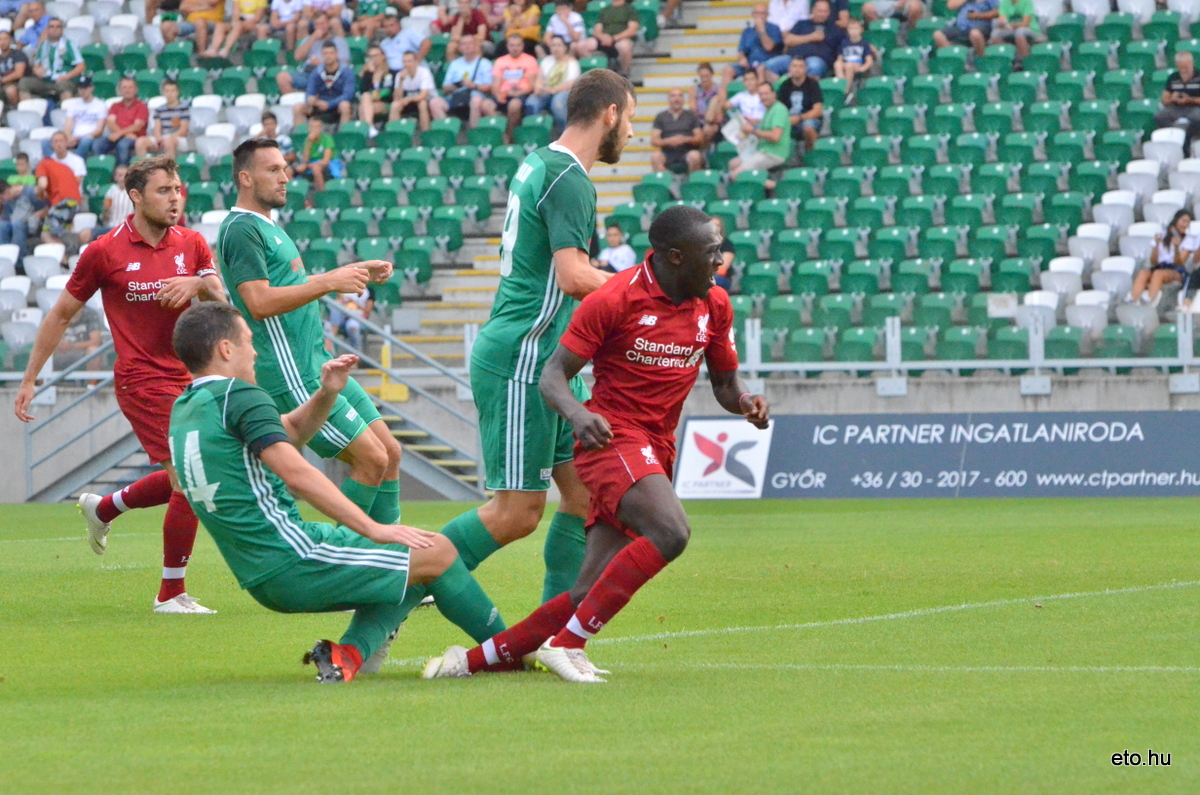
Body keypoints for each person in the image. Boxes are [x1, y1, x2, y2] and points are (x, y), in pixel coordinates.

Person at [423, 205, 770, 682]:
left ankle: (469, 661)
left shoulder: (714, 305)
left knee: (584, 591)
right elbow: (552, 377)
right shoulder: (615, 298)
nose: (721, 261)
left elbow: (727, 387)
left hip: (656, 445)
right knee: (671, 532)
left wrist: (748, 401)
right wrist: (579, 414)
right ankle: (567, 644)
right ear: (674, 256)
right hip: (611, 438)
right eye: (711, 253)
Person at [167, 302, 504, 683]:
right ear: (226, 350)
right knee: (437, 553)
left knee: (418, 560)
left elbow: (291, 431)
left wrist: (326, 394)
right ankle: (508, 652)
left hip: (260, 573)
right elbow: (297, 474)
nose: (256, 350)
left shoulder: (186, 408)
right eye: (247, 340)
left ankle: (350, 654)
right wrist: (372, 528)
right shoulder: (240, 396)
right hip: (294, 558)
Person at [432, 69, 635, 609]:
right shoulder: (569, 177)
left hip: (547, 360)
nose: (632, 133)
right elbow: (572, 275)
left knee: (586, 493)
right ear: (610, 114)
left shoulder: (540, 162)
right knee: (516, 513)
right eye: (631, 118)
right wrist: (642, 292)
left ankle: (555, 633)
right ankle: (406, 576)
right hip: (524, 357)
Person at [13, 156, 226, 614]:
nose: (175, 198)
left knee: (189, 474)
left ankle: (105, 507)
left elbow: (222, 298)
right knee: (190, 477)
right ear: (135, 196)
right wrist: (31, 378)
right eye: (164, 191)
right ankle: (171, 594)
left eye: (178, 189)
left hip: (189, 377)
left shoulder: (192, 243)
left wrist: (195, 283)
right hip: (141, 380)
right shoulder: (103, 251)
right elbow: (61, 315)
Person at [215, 137, 406, 550]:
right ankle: (342, 565)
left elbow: (293, 286)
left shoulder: (266, 225)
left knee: (389, 453)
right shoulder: (241, 229)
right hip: (290, 373)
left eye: (285, 168)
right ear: (245, 178)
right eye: (273, 170)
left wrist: (351, 270)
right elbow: (259, 301)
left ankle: (395, 563)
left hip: (315, 361)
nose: (286, 177)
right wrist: (329, 281)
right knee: (370, 460)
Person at [1131, 210, 1197, 306]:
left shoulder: (1188, 240)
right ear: (1176, 220)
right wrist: (1157, 245)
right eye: (1183, 221)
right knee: (1143, 273)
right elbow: (1153, 261)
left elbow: (1179, 263)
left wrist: (1176, 248)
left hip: (1177, 271)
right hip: (1159, 266)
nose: (1185, 225)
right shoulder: (1161, 235)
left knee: (1158, 274)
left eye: (1188, 222)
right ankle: (1133, 299)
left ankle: (1149, 299)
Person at [729, 79, 792, 176]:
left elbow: (775, 136)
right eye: (761, 94)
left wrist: (753, 130)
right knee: (732, 164)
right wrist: (750, 124)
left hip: (773, 153)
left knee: (736, 175)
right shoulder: (768, 110)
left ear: (773, 94)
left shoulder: (779, 109)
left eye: (766, 94)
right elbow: (763, 131)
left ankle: (773, 186)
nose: (763, 97)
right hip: (762, 150)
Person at [275, 14, 350, 95]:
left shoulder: (338, 41)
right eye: (317, 24)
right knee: (282, 77)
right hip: (307, 73)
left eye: (322, 24)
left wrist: (323, 65)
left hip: (326, 75)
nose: (320, 27)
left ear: (328, 24)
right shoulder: (309, 39)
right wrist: (313, 38)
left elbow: (344, 64)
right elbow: (297, 57)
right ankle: (295, 103)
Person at [769, 0, 845, 79]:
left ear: (829, 12)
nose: (822, 14)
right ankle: (780, 89)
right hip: (793, 58)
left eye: (825, 11)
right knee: (770, 65)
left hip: (816, 60)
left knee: (814, 65)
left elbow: (842, 48)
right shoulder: (802, 24)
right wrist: (811, 37)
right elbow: (788, 40)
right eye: (820, 11)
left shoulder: (835, 29)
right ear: (813, 10)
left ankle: (806, 89)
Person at [34, 140, 87, 250]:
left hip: (63, 202)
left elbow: (43, 185)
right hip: (75, 203)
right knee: (62, 232)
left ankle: (64, 262)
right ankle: (72, 253)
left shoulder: (43, 164)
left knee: (46, 234)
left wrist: (37, 190)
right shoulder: (64, 167)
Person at [17, 16, 83, 102]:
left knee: (64, 86)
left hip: (63, 80)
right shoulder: (43, 46)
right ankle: (28, 112)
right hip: (45, 80)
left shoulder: (69, 45)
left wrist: (67, 76)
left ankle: (65, 112)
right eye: (51, 27)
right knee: (24, 83)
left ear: (62, 29)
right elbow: (36, 65)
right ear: (47, 29)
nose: (55, 29)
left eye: (58, 27)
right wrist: (36, 70)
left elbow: (81, 66)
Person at [441, 34, 497, 128]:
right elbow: (445, 87)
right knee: (435, 103)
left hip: (477, 94)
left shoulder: (484, 63)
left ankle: (473, 132)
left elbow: (489, 87)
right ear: (459, 48)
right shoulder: (454, 64)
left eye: (470, 43)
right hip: (457, 95)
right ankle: (448, 133)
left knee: (475, 99)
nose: (467, 46)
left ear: (475, 45)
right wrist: (452, 87)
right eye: (464, 44)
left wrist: (473, 86)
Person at [295, 41, 355, 127]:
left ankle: (343, 135)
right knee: (297, 107)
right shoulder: (317, 72)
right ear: (322, 55)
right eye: (325, 53)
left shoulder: (346, 72)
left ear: (336, 54)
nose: (328, 56)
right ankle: (300, 135)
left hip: (337, 105)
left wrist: (329, 104)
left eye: (331, 53)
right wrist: (310, 99)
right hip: (320, 104)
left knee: (345, 106)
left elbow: (348, 95)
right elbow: (310, 91)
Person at [493, 32, 540, 141]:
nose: (515, 48)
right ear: (507, 46)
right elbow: (496, 83)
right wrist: (498, 95)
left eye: (518, 45)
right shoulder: (500, 61)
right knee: (486, 105)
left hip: (521, 94)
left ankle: (509, 137)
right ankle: (500, 135)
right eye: (512, 45)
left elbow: (531, 86)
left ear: (522, 46)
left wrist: (517, 93)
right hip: (504, 93)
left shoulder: (530, 60)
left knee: (514, 105)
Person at [526, 35, 580, 132]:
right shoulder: (547, 61)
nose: (556, 48)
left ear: (565, 47)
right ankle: (536, 132)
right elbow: (540, 77)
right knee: (532, 102)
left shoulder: (572, 62)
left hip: (565, 91)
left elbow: (572, 83)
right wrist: (538, 87)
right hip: (546, 90)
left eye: (559, 45)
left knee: (557, 103)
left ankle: (564, 133)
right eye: (553, 45)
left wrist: (554, 90)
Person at [93, 77, 149, 166]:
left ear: (136, 90)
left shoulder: (141, 106)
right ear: (120, 90)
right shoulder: (115, 106)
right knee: (98, 144)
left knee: (123, 144)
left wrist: (119, 134)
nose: (127, 90)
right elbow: (110, 123)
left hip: (135, 138)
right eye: (124, 87)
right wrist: (123, 134)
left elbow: (137, 126)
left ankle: (123, 171)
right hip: (120, 136)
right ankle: (101, 169)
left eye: (130, 87)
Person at [1156, 52, 1200, 159]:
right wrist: (1172, 99)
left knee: (1197, 118)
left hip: (1194, 107)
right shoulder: (1173, 78)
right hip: (1176, 107)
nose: (1184, 70)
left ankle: (1189, 140)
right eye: (1182, 67)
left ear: (1192, 63)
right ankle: (1175, 137)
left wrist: (1190, 99)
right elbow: (1164, 100)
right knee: (1159, 117)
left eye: (1186, 66)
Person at [725, 3, 781, 85]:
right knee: (728, 69)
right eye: (757, 13)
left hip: (766, 64)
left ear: (767, 15)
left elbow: (768, 47)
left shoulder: (774, 28)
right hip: (750, 64)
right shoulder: (747, 31)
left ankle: (759, 95)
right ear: (753, 15)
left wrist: (761, 29)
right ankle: (725, 96)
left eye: (763, 13)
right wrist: (742, 58)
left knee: (760, 69)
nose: (760, 16)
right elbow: (741, 51)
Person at [650, 88, 703, 173]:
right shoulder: (661, 117)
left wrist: (685, 139)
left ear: (683, 99)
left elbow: (699, 138)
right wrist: (669, 141)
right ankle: (665, 184)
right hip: (668, 152)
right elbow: (654, 141)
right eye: (673, 96)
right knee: (655, 156)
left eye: (680, 96)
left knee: (695, 156)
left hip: (686, 152)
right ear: (669, 99)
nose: (676, 99)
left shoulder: (691, 116)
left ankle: (691, 184)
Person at [776, 55, 823, 150]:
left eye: (800, 66)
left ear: (806, 69)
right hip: (789, 119)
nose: (797, 69)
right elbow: (779, 108)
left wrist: (799, 118)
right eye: (794, 66)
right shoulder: (784, 86)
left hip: (808, 118)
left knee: (808, 127)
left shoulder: (812, 84)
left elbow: (817, 111)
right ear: (789, 68)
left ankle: (812, 155)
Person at [135, 79, 191, 159]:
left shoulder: (184, 109)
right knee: (140, 142)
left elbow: (183, 130)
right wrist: (158, 139)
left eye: (172, 91)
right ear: (163, 93)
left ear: (177, 92)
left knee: (168, 141)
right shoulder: (159, 110)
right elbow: (157, 129)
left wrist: (169, 138)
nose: (170, 94)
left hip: (178, 138)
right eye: (167, 91)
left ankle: (169, 169)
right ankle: (144, 169)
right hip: (163, 136)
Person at [0, 154, 39, 267]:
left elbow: (42, 205)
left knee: (17, 224)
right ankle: (4, 260)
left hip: (30, 222)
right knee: (2, 225)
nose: (3, 201)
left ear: (7, 192)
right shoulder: (7, 202)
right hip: (13, 221)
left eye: (2, 198)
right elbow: (6, 217)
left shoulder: (29, 190)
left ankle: (19, 262)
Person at [392, 49, 443, 131]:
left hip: (428, 100)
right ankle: (395, 133)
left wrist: (409, 99)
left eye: (409, 61)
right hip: (409, 102)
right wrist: (401, 81)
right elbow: (397, 98)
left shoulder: (424, 72)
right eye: (404, 62)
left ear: (416, 62)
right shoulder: (400, 75)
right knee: (395, 105)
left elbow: (423, 95)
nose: (407, 64)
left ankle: (425, 132)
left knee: (422, 103)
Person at [59, 75, 108, 160]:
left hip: (91, 137)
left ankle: (76, 165)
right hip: (74, 137)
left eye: (85, 88)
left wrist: (79, 138)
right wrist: (70, 138)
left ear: (91, 88)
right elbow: (67, 126)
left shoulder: (100, 105)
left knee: (86, 140)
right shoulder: (74, 104)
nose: (82, 91)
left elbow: (99, 130)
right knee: (48, 142)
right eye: (80, 88)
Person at [587, 0, 638, 77]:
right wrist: (603, 37)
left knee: (625, 47)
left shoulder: (630, 9)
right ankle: (592, 73)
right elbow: (597, 29)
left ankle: (624, 73)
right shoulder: (605, 10)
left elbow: (632, 30)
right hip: (604, 39)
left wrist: (614, 38)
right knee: (582, 46)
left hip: (621, 38)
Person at [933, 0, 998, 57]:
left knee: (975, 33)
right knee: (938, 35)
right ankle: (957, 59)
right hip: (961, 27)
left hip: (981, 26)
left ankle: (981, 59)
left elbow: (997, 12)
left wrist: (979, 15)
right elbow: (950, 5)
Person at [988, 0, 1042, 66]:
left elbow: (1025, 23)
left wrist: (1012, 25)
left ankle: (1026, 62)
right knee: (995, 34)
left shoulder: (1027, 2)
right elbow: (1002, 18)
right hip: (1011, 28)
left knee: (1020, 32)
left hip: (1029, 28)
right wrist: (1002, 23)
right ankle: (1008, 59)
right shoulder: (1005, 2)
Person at [52, 302, 104, 371]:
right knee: (42, 351)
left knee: (93, 351)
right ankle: (45, 381)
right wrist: (59, 345)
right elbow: (46, 340)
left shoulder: (90, 314)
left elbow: (96, 341)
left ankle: (91, 382)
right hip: (59, 352)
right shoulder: (55, 314)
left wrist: (71, 346)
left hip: (83, 352)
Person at [378, 7, 431, 71]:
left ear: (398, 25)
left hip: (412, 70)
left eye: (391, 25)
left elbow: (427, 43)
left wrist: (416, 61)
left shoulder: (408, 33)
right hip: (391, 73)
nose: (389, 29)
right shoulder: (384, 43)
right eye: (386, 27)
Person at [294, 117, 336, 191]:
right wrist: (309, 142)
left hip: (327, 164)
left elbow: (325, 161)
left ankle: (322, 193)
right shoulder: (308, 139)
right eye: (312, 127)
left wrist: (307, 166)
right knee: (291, 170)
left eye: (317, 127)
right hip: (311, 162)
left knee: (316, 169)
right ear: (309, 128)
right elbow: (305, 160)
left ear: (321, 128)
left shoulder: (327, 139)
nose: (314, 129)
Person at [357, 45, 394, 128]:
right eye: (371, 57)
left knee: (364, 106)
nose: (374, 59)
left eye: (376, 55)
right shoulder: (368, 74)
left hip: (385, 103)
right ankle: (368, 129)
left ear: (383, 56)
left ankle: (367, 129)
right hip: (370, 103)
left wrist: (375, 94)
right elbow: (363, 91)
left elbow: (388, 92)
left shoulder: (391, 73)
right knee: (363, 106)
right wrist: (368, 75)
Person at [833, 18, 874, 89]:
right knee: (837, 64)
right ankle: (841, 85)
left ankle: (846, 89)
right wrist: (839, 62)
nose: (854, 31)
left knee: (849, 66)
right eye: (851, 29)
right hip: (846, 63)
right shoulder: (844, 42)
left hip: (857, 64)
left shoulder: (864, 44)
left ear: (861, 30)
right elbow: (840, 57)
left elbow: (869, 61)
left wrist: (862, 68)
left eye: (856, 29)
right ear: (847, 30)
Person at [95, 164, 134, 237]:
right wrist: (105, 211)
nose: (122, 178)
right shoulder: (111, 191)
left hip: (127, 228)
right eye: (120, 175)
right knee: (87, 233)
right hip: (110, 227)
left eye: (125, 176)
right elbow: (104, 218)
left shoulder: (133, 193)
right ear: (115, 177)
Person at [693, 61, 722, 147]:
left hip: (714, 123)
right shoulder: (695, 90)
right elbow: (693, 109)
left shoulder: (719, 90)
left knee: (708, 128)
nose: (704, 79)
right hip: (699, 122)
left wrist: (709, 116)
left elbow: (719, 116)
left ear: (712, 75)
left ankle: (702, 152)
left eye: (706, 76)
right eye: (702, 77)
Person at [0, 29, 30, 109]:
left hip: (18, 83)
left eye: (5, 39)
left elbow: (18, 73)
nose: (3, 42)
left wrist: (2, 80)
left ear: (11, 41)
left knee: (11, 90)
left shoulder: (18, 54)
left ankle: (17, 110)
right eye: (0, 39)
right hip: (4, 84)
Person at [712, 214, 735, 290]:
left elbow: (722, 269)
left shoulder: (727, 245)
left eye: (717, 225)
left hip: (721, 278)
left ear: (721, 228)